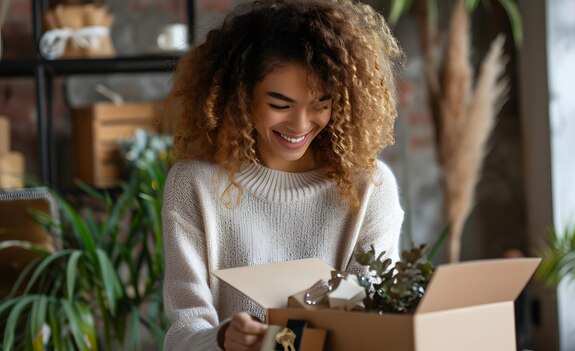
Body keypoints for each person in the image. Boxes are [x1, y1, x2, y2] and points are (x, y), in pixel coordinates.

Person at [161, 0, 405, 349]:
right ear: (241, 96)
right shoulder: (194, 184)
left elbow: (374, 312)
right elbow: (183, 333)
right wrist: (221, 339)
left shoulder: (370, 186)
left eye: (321, 104)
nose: (301, 125)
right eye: (280, 105)